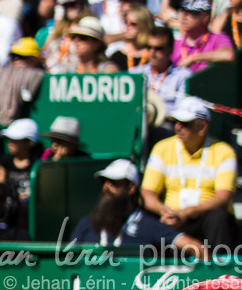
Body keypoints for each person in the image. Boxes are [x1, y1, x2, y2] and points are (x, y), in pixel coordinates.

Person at [143, 97, 237, 251]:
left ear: (202, 128)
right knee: (150, 221)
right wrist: (164, 211)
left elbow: (223, 197)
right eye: (175, 122)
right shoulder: (162, 148)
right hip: (172, 217)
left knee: (219, 218)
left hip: (205, 218)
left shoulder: (224, 152)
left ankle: (219, 269)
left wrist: (187, 213)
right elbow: (147, 193)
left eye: (185, 123)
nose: (178, 127)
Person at [74, 159, 201, 256]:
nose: (106, 187)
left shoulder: (149, 225)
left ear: (131, 188)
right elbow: (67, 258)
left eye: (113, 182)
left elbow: (196, 247)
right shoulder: (87, 223)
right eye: (103, 182)